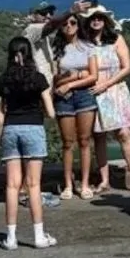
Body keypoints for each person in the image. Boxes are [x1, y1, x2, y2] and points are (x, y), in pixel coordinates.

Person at [0, 37, 59, 250]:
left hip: (11, 128)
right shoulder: (38, 78)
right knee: (33, 185)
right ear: (28, 53)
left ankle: (11, 237)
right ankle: (39, 236)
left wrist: (0, 136)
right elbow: (50, 112)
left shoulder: (3, 80)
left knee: (12, 185)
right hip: (33, 128)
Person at [83, 4, 130, 194]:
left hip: (115, 91)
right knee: (99, 137)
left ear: (105, 21)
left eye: (99, 18)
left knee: (124, 134)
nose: (96, 21)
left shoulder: (116, 39)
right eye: (93, 18)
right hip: (94, 91)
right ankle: (104, 180)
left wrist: (107, 84)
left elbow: (126, 67)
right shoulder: (84, 43)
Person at [51, 12, 100, 200]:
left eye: (72, 23)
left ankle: (85, 183)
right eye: (65, 23)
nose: (68, 26)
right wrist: (79, 74)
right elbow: (55, 77)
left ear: (78, 25)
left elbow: (93, 75)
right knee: (67, 142)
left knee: (85, 140)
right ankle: (68, 184)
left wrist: (71, 81)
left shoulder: (88, 47)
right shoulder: (57, 49)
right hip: (63, 98)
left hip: (84, 95)